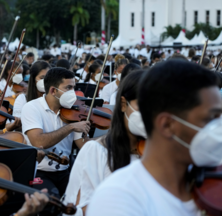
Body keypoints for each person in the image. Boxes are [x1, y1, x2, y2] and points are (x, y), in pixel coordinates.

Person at [87, 59, 222, 215]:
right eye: (210, 118)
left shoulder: (211, 177)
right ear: (167, 125)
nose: (217, 127)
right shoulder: (119, 197)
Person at [64, 70, 146, 216]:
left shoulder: (158, 154)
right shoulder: (96, 151)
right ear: (123, 104)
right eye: (144, 105)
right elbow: (82, 207)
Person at [21, 67, 91, 214]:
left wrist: (110, 136)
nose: (73, 93)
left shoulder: (73, 111)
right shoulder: (31, 107)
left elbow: (84, 146)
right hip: (40, 173)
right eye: (69, 88)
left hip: (65, 171)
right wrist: (71, 127)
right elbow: (39, 142)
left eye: (74, 87)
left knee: (83, 203)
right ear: (53, 91)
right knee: (52, 207)